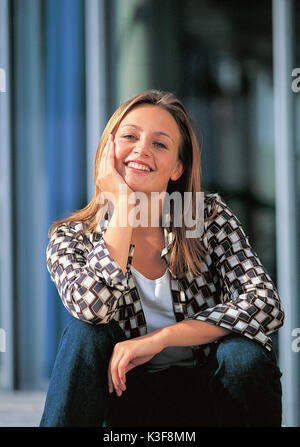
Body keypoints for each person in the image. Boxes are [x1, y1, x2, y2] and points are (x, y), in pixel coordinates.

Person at [40, 90, 284, 427]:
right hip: (126, 399)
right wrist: (124, 208)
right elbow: (92, 309)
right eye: (129, 136)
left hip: (209, 401)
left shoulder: (207, 216)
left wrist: (162, 338)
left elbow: (265, 304)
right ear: (107, 150)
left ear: (177, 168)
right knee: (86, 335)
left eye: (160, 144)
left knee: (242, 356)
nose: (141, 149)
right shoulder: (72, 237)